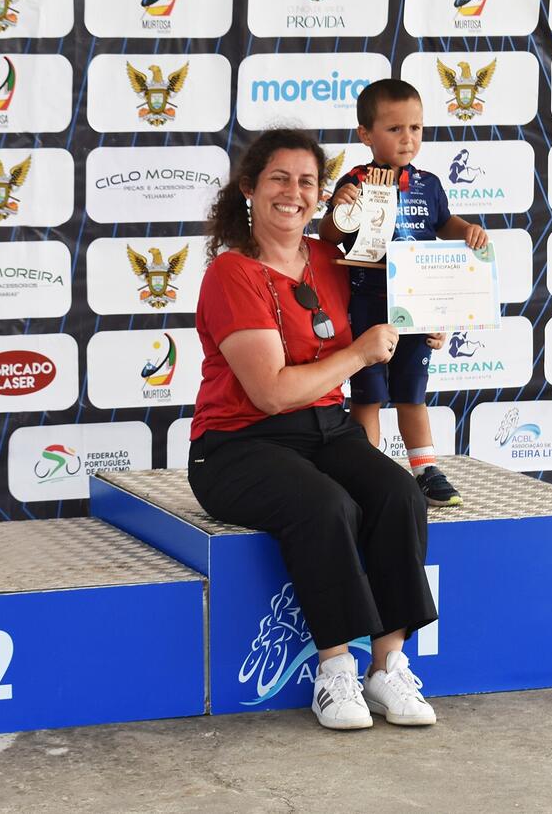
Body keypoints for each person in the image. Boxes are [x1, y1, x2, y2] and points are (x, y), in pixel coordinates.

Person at [189, 128, 439, 731]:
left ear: (320, 194)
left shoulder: (333, 258)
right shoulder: (231, 274)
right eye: (279, 178)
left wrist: (428, 319)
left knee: (399, 494)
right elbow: (271, 392)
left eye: (306, 182)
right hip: (236, 445)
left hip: (327, 429)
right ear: (249, 188)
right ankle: (335, 670)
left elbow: (397, 305)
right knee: (326, 505)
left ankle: (387, 666)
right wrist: (357, 354)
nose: (293, 193)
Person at [319, 78, 489, 508]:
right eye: (395, 129)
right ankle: (366, 471)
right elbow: (329, 236)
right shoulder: (354, 181)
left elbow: (444, 224)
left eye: (415, 128)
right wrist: (341, 208)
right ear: (366, 134)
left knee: (412, 393)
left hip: (417, 307)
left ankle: (425, 470)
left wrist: (467, 231)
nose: (407, 138)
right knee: (368, 395)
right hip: (367, 306)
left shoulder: (429, 183)